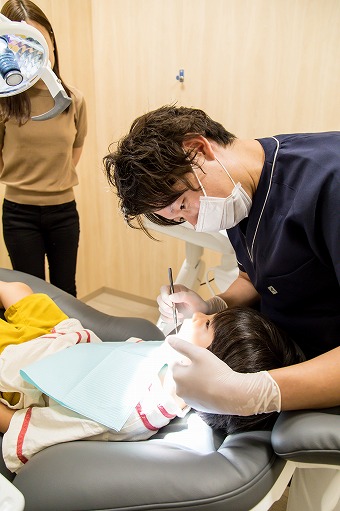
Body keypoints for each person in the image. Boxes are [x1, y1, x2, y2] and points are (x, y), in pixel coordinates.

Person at [103, 104, 340, 418]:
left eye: (184, 204)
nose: (197, 222)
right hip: (276, 352)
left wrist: (253, 391)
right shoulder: (238, 192)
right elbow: (257, 277)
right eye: (179, 218)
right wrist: (213, 305)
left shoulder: (328, 184)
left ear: (199, 149)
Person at [0, 280, 303, 472]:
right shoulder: (172, 372)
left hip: (25, 363)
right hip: (65, 340)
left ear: (210, 364)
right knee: (17, 289)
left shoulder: (128, 412)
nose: (199, 315)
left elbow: (23, 424)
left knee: (16, 293)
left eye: (208, 324)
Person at [0, 0, 87, 297]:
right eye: (18, 42)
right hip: (18, 214)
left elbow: (76, 146)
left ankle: (74, 345)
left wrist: (55, 178)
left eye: (35, 40)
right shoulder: (4, 101)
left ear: (49, 39)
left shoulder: (73, 99)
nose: (28, 51)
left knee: (66, 292)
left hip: (63, 211)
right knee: (29, 297)